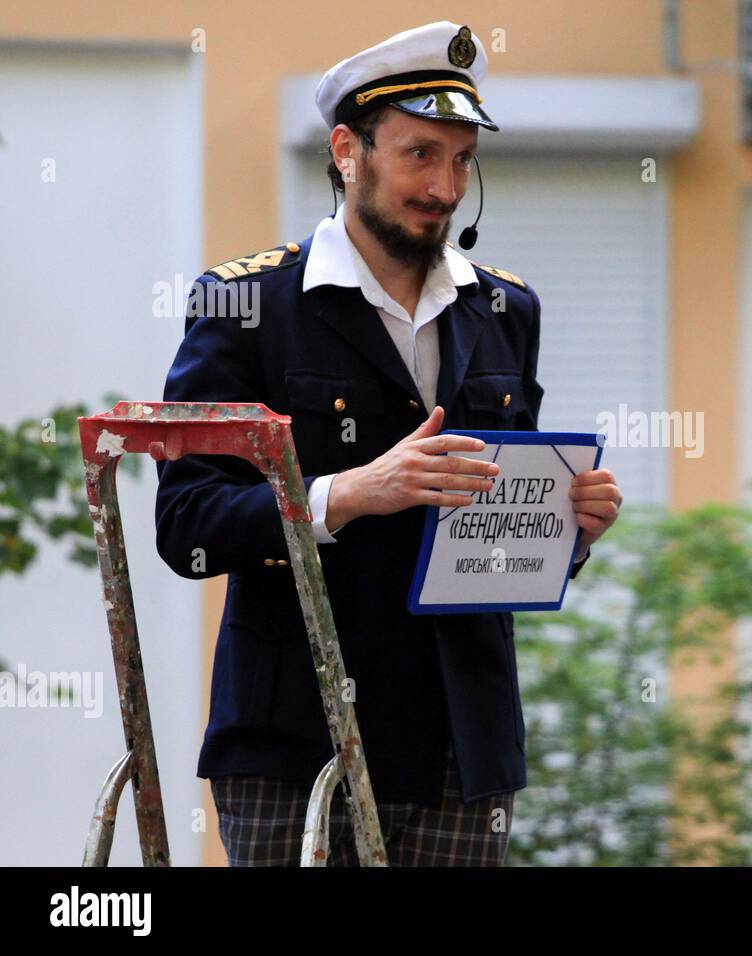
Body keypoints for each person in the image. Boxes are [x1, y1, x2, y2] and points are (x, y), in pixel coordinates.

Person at [154, 21, 622, 866]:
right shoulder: (245, 303)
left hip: (463, 748)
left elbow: (492, 538)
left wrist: (567, 529)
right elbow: (186, 526)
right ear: (347, 150)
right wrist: (347, 494)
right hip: (296, 744)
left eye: (462, 159)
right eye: (419, 154)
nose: (444, 186)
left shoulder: (510, 310)